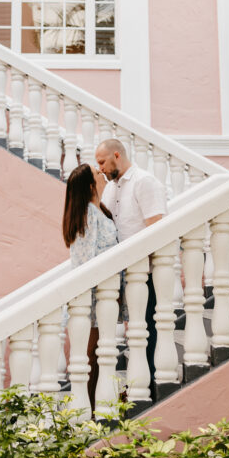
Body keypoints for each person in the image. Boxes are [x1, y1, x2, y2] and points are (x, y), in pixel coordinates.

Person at [95, 138, 166, 400]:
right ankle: (137, 382)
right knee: (134, 332)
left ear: (117, 155)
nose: (99, 168)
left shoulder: (143, 182)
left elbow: (156, 228)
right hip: (124, 275)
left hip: (145, 274)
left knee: (147, 329)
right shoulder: (111, 190)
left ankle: (151, 387)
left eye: (102, 161)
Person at [62, 163, 118, 409]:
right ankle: (88, 410)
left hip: (103, 298)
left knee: (99, 355)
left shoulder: (100, 211)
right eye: (97, 173)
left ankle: (94, 407)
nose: (102, 173)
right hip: (92, 300)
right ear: (90, 185)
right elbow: (85, 261)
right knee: (92, 356)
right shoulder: (87, 214)